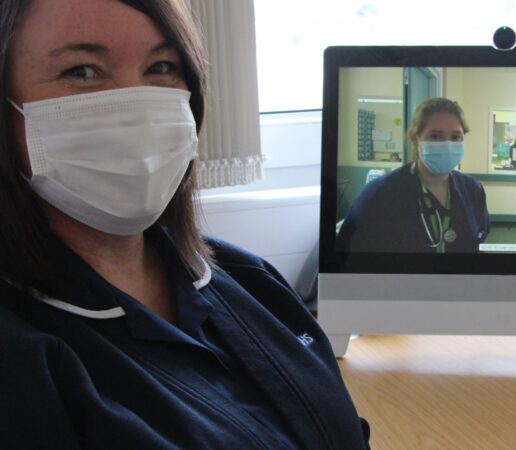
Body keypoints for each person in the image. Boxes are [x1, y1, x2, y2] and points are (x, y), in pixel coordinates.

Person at [0, 0, 369, 448]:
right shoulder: (22, 359)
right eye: (81, 71)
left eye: (160, 66)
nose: (136, 103)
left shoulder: (249, 279)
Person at [337, 97, 490, 253]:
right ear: (416, 139)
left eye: (455, 137)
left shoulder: (473, 190)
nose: (447, 145)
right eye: (435, 136)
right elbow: (347, 259)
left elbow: (478, 241)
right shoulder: (378, 195)